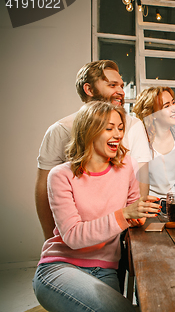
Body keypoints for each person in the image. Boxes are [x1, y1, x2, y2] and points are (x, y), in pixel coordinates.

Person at [33, 101, 161, 312]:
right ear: (89, 130)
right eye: (109, 128)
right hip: (60, 267)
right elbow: (72, 236)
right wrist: (125, 214)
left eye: (120, 128)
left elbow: (131, 211)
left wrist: (140, 214)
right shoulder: (61, 176)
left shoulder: (127, 166)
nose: (118, 134)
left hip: (104, 270)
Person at [36, 60, 151, 240]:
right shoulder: (60, 130)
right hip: (76, 235)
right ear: (89, 90)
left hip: (119, 237)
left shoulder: (135, 125)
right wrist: (51, 238)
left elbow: (140, 179)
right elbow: (44, 188)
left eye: (121, 85)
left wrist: (132, 230)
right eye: (112, 85)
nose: (121, 91)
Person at [133, 86, 175, 198]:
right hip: (150, 206)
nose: (174, 108)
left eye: (173, 102)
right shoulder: (141, 140)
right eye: (166, 106)